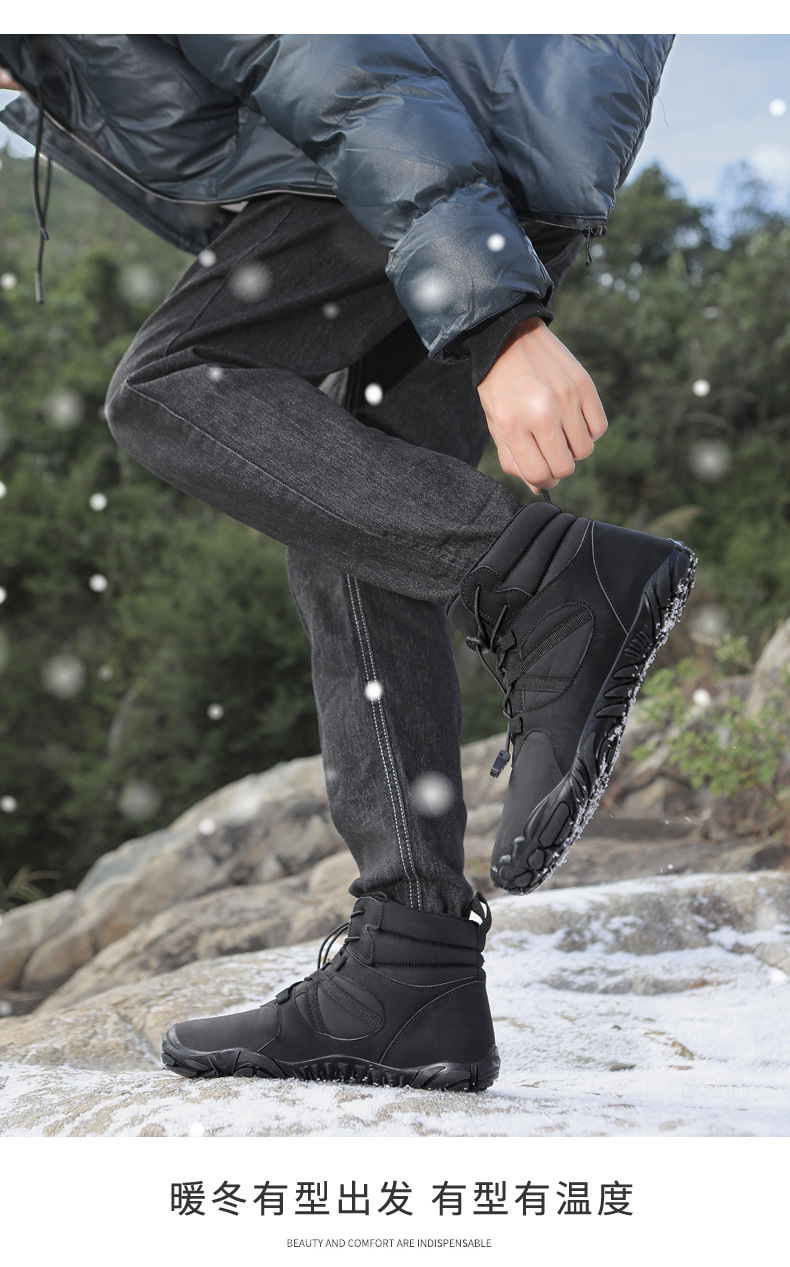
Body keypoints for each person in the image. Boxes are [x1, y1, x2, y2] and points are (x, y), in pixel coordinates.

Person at [0, 35, 694, 1091]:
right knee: (359, 504)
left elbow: (341, 68)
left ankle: (546, 582)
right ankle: (413, 975)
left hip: (439, 134)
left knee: (173, 381)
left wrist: (495, 318)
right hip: (472, 146)